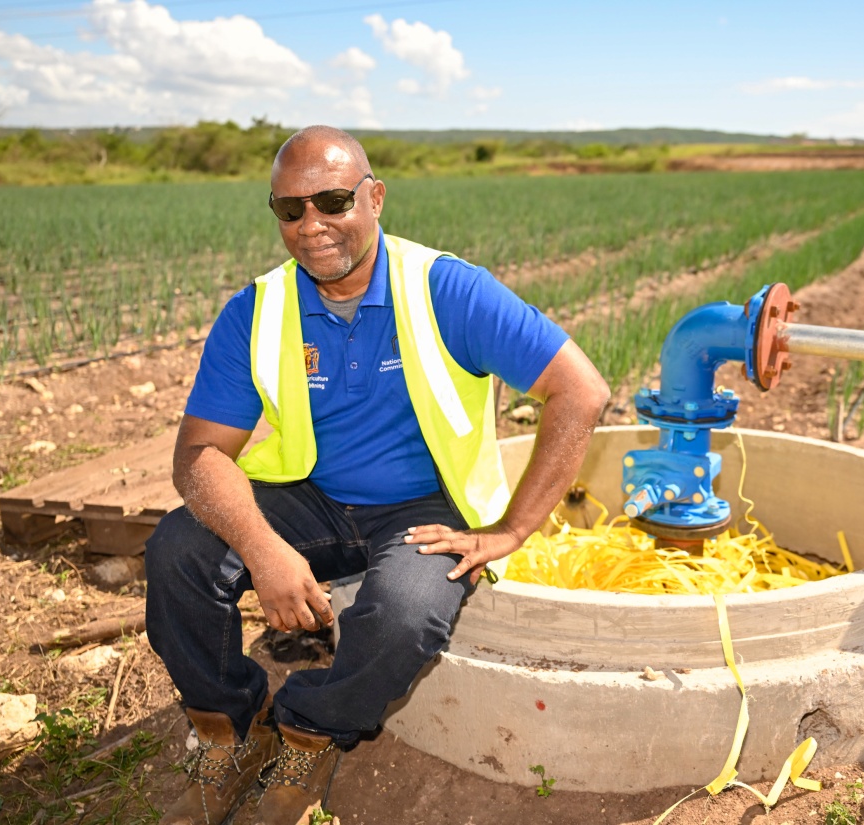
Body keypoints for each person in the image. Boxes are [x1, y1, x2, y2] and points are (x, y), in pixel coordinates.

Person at [144, 125, 610, 825]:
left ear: (376, 197)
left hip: (424, 505)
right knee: (178, 549)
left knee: (403, 614)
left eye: (332, 201)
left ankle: (309, 733)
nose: (312, 225)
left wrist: (512, 528)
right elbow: (198, 454)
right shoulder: (258, 310)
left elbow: (580, 390)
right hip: (314, 496)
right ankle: (227, 730)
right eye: (290, 209)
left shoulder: (445, 289)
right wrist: (265, 548)